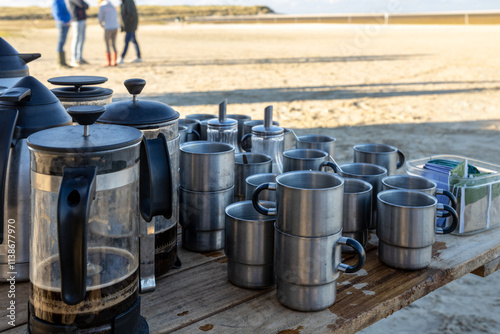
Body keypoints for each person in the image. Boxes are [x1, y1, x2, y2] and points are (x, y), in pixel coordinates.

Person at [67, 0, 89, 67]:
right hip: (76, 20)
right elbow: (82, 4)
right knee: (76, 39)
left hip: (82, 20)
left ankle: (79, 58)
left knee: (82, 39)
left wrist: (84, 5)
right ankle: (74, 59)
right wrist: (84, 5)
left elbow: (87, 5)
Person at [98, 0, 119, 67]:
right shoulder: (113, 6)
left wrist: (101, 25)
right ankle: (114, 61)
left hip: (108, 27)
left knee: (107, 44)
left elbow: (100, 18)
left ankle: (108, 62)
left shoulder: (102, 7)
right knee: (113, 44)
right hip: (115, 27)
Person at [51, 0, 71, 67]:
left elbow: (66, 11)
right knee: (61, 41)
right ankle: (61, 62)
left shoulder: (62, 1)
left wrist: (69, 19)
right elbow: (56, 11)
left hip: (66, 22)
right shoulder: (56, 1)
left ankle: (63, 62)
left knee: (63, 41)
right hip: (63, 23)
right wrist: (62, 21)